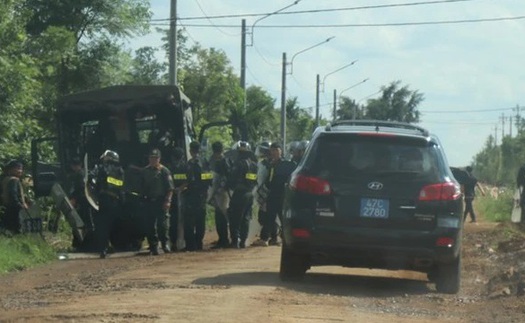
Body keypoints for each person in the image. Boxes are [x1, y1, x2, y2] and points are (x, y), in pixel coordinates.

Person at [254, 143, 295, 246]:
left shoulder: (287, 164)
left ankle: (284, 238)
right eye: (272, 150)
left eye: (276, 150)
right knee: (269, 217)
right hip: (271, 195)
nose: (274, 152)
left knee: (282, 218)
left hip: (282, 195)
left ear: (281, 151)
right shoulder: (270, 165)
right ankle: (269, 238)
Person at [91, 150, 125, 258]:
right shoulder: (120, 171)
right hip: (115, 201)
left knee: (102, 225)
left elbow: (92, 181)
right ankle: (116, 246)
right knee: (114, 224)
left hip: (104, 200)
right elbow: (121, 188)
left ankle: (103, 248)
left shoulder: (100, 168)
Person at [142, 148, 175, 255]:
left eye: (155, 158)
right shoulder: (145, 171)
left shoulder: (164, 171)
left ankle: (165, 244)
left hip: (161, 200)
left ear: (159, 159)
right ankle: (153, 246)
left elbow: (170, 188)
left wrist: (168, 201)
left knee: (163, 224)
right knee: (150, 225)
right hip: (149, 201)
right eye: (151, 158)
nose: (153, 160)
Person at [227, 141, 258, 248]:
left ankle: (235, 241)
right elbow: (255, 180)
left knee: (234, 217)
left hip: (239, 194)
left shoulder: (238, 164)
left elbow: (231, 179)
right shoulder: (254, 165)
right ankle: (243, 241)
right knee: (246, 217)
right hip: (250, 193)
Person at [184, 141, 212, 251]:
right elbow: (209, 178)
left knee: (190, 220)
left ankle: (192, 245)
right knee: (200, 219)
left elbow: (187, 179)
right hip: (200, 195)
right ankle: (198, 243)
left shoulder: (190, 163)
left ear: (191, 151)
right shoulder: (204, 162)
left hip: (192, 194)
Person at [66, 157, 93, 250]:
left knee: (80, 223)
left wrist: (74, 199)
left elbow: (79, 189)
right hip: (86, 202)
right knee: (85, 223)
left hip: (82, 202)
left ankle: (81, 245)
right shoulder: (84, 174)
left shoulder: (79, 175)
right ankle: (84, 244)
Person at [208, 141, 231, 249]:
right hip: (215, 191)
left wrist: (221, 187)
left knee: (223, 215)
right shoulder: (212, 160)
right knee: (218, 216)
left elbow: (228, 176)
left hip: (223, 192)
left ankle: (225, 239)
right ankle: (222, 238)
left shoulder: (225, 161)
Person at [167, 147, 188, 251]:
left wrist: (178, 189)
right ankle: (177, 243)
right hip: (179, 195)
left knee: (176, 220)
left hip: (179, 196)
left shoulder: (169, 168)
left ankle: (176, 242)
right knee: (177, 220)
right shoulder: (186, 167)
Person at [0, 160, 29, 234]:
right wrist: (20, 205)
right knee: (16, 229)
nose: (20, 170)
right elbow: (13, 195)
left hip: (5, 207)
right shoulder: (14, 180)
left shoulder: (4, 179)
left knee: (6, 228)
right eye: (17, 168)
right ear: (10, 169)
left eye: (21, 168)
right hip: (14, 208)